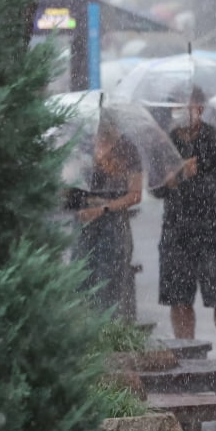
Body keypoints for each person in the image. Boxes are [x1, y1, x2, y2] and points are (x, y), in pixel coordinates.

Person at [151, 88, 216, 359]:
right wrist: (177, 175)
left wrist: (196, 177)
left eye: (185, 104)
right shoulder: (163, 144)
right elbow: (155, 187)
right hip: (177, 232)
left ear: (199, 107)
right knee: (178, 299)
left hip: (213, 232)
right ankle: (187, 353)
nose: (180, 110)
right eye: (175, 105)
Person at [70, 124, 143, 319]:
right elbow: (68, 182)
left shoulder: (126, 148)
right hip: (84, 219)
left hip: (113, 221)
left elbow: (135, 194)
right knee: (81, 277)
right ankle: (84, 332)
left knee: (111, 280)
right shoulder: (82, 143)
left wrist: (104, 208)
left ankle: (109, 331)